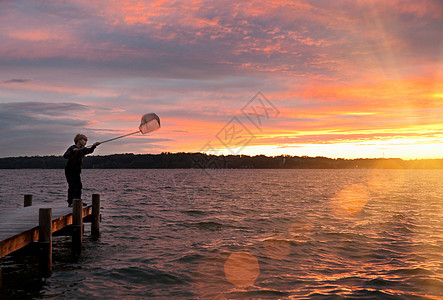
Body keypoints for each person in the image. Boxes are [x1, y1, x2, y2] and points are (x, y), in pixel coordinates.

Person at [63, 134, 100, 207]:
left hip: (77, 170)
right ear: (79, 140)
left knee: (79, 186)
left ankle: (78, 201)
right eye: (84, 140)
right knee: (72, 185)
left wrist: (94, 146)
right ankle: (71, 202)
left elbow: (89, 151)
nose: (85, 142)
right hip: (70, 170)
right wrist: (72, 151)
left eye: (86, 141)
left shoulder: (83, 149)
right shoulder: (72, 148)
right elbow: (65, 156)